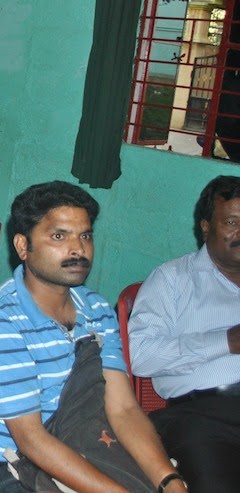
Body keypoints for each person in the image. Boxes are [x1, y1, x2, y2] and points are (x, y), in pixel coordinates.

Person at [0, 181, 185, 493]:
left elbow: (123, 409)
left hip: (90, 444)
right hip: (22, 470)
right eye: (59, 236)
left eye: (85, 236)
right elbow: (31, 440)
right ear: (23, 246)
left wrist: (169, 481)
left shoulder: (96, 308)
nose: (78, 249)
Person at [129, 175, 240, 492]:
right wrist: (226, 341)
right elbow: (139, 355)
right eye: (231, 222)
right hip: (204, 418)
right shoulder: (173, 279)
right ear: (205, 226)